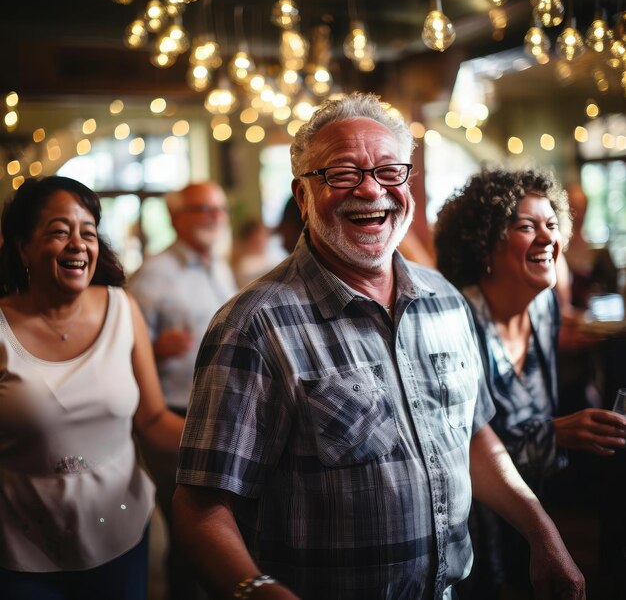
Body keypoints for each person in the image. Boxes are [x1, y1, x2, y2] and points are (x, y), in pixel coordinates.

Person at [172, 93, 585, 600]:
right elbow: (200, 505)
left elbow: (474, 436)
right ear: (303, 197)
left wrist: (544, 534)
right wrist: (258, 591)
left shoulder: (445, 301)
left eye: (390, 172)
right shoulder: (254, 325)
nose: (371, 190)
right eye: (342, 173)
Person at [434, 168, 626, 598]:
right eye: (526, 226)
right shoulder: (454, 322)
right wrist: (554, 434)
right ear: (484, 241)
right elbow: (456, 450)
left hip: (534, 514)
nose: (546, 237)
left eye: (552, 224)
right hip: (470, 536)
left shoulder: (543, 310)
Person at [0, 176, 184, 600]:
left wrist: (227, 446)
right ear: (23, 246)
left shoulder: (123, 308)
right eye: (59, 232)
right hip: (20, 544)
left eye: (88, 232)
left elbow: (153, 420)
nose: (78, 244)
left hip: (120, 530)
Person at [129, 180, 238, 600]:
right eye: (202, 209)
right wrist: (154, 349)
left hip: (220, 411)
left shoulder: (219, 266)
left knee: (217, 522)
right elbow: (120, 354)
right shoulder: (152, 277)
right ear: (176, 217)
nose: (214, 217)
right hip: (172, 414)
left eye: (219, 209)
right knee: (189, 527)